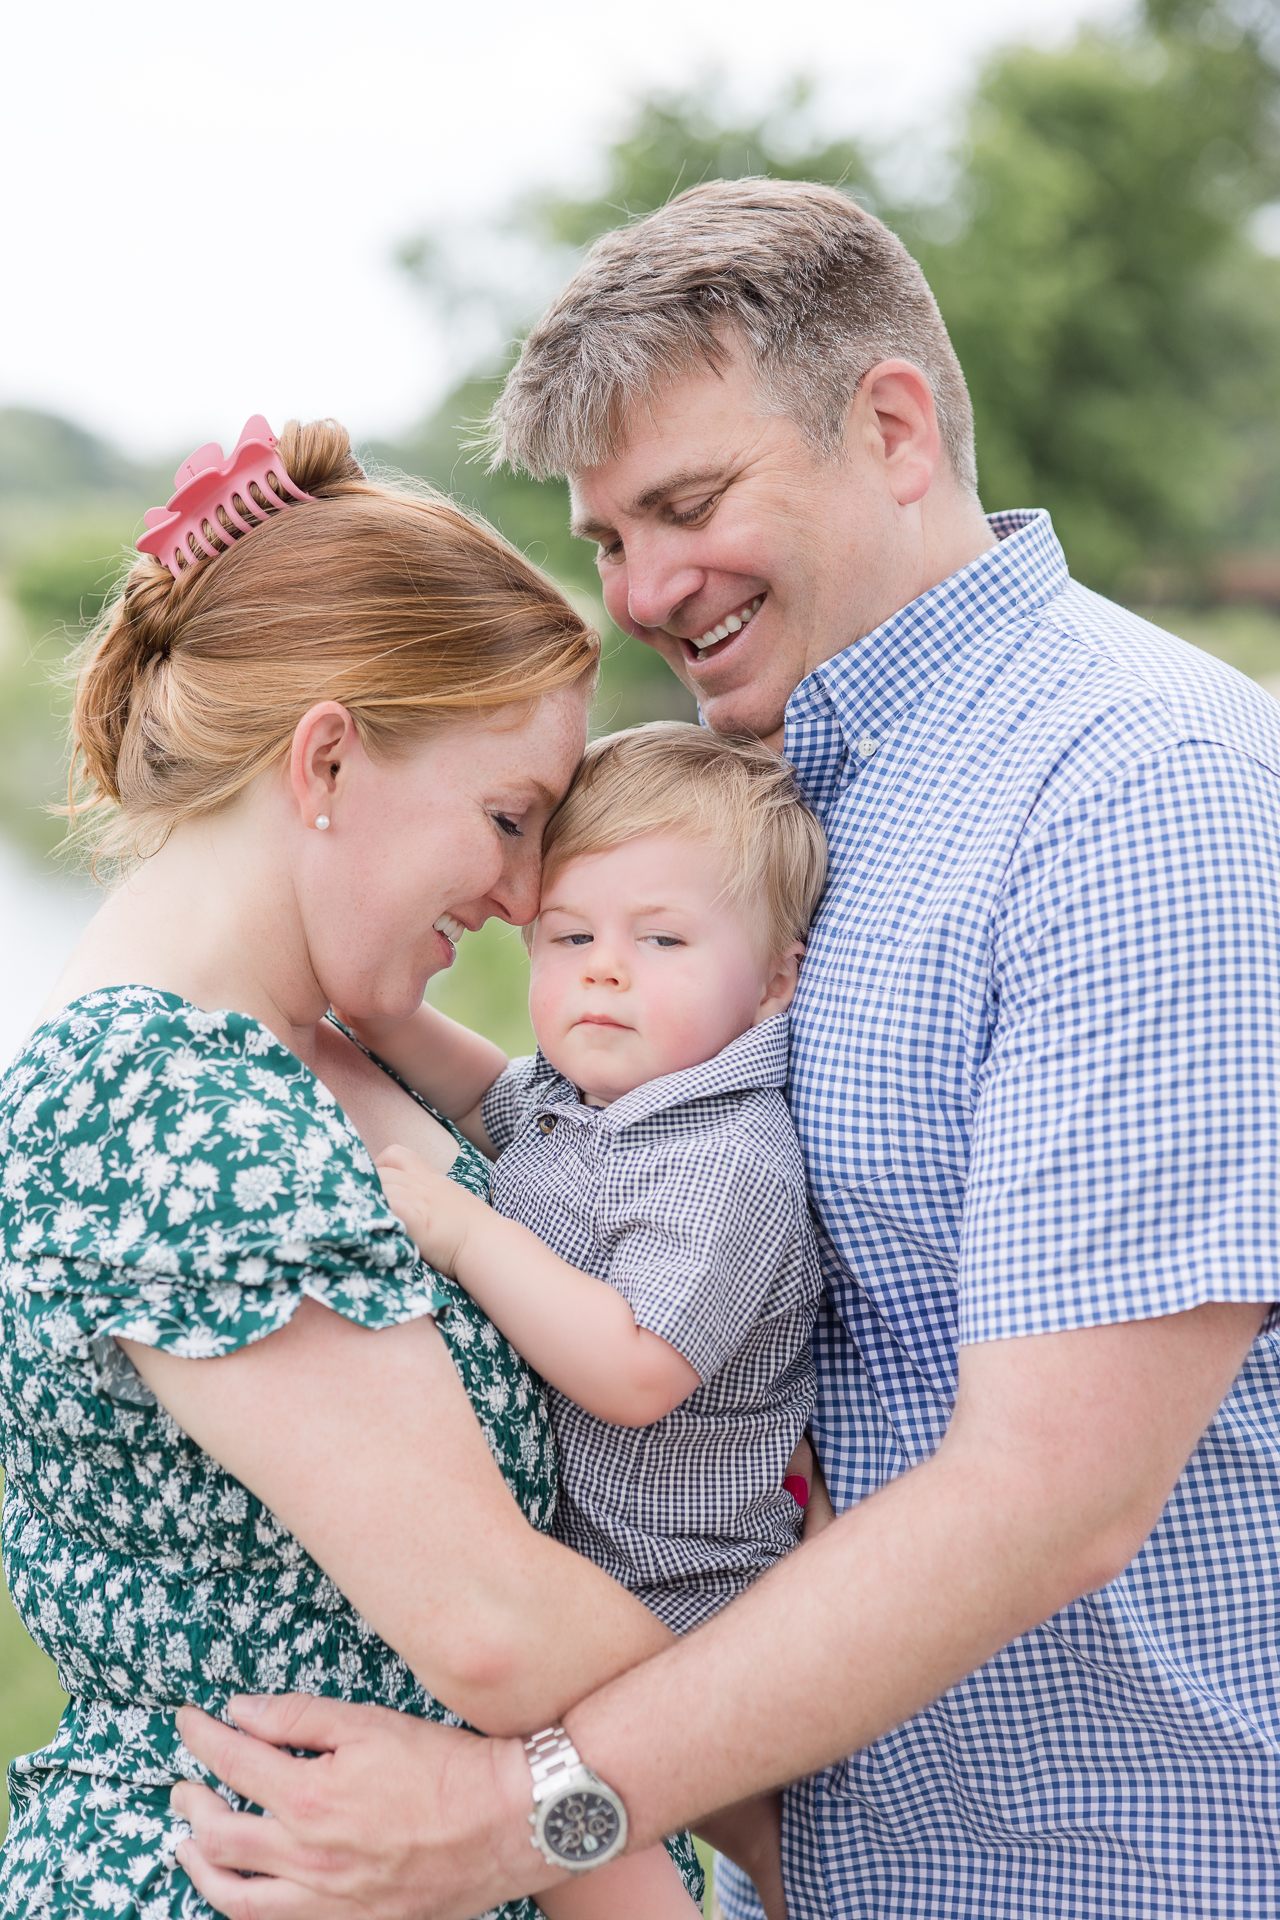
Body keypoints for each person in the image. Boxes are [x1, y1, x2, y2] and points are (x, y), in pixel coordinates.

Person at [168, 181, 1280, 1920]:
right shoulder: (779, 804)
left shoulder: (1133, 795)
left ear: (893, 425)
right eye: (609, 539)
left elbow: (1053, 1494)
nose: (642, 592)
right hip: (843, 1865)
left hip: (1112, 1869)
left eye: (687, 506)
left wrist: (518, 1815)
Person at [0, 417, 719, 1919]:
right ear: (325, 758)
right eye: (511, 818)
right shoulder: (161, 1106)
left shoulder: (339, 1050)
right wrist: (830, 1751)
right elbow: (489, 1625)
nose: (528, 897)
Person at [369, 722, 827, 1636]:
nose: (605, 969)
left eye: (662, 941)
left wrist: (468, 1236)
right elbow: (476, 1089)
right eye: (571, 935)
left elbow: (635, 1368)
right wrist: (378, 1012)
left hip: (677, 1598)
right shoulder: (578, 1093)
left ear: (774, 982)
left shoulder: (726, 1156)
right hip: (570, 1569)